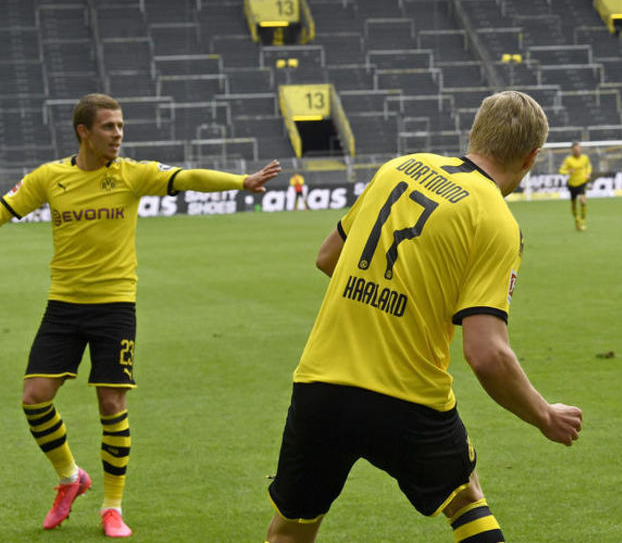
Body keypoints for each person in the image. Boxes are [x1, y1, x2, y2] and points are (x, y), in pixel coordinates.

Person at [265, 90, 583, 543]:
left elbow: (328, 257)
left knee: (290, 531)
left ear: (474, 133)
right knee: (465, 499)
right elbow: (487, 353)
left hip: (322, 383)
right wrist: (544, 416)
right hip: (406, 394)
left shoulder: (399, 167)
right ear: (531, 158)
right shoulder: (495, 217)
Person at [1, 94, 281, 538]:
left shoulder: (130, 175)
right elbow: (4, 209)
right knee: (34, 397)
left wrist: (240, 181)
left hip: (115, 306)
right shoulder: (49, 178)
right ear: (84, 132)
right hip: (64, 306)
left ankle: (112, 507)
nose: (118, 134)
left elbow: (186, 177)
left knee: (111, 403)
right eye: (109, 127)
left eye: (120, 126)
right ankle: (71, 478)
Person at [558, 142, 592, 231]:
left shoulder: (585, 158)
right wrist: (568, 171)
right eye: (575, 149)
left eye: (578, 148)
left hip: (582, 182)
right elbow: (561, 170)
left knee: (583, 201)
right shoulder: (568, 160)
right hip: (572, 184)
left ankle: (583, 221)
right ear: (572, 150)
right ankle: (577, 220)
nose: (577, 150)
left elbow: (589, 166)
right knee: (573, 205)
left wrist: (588, 173)